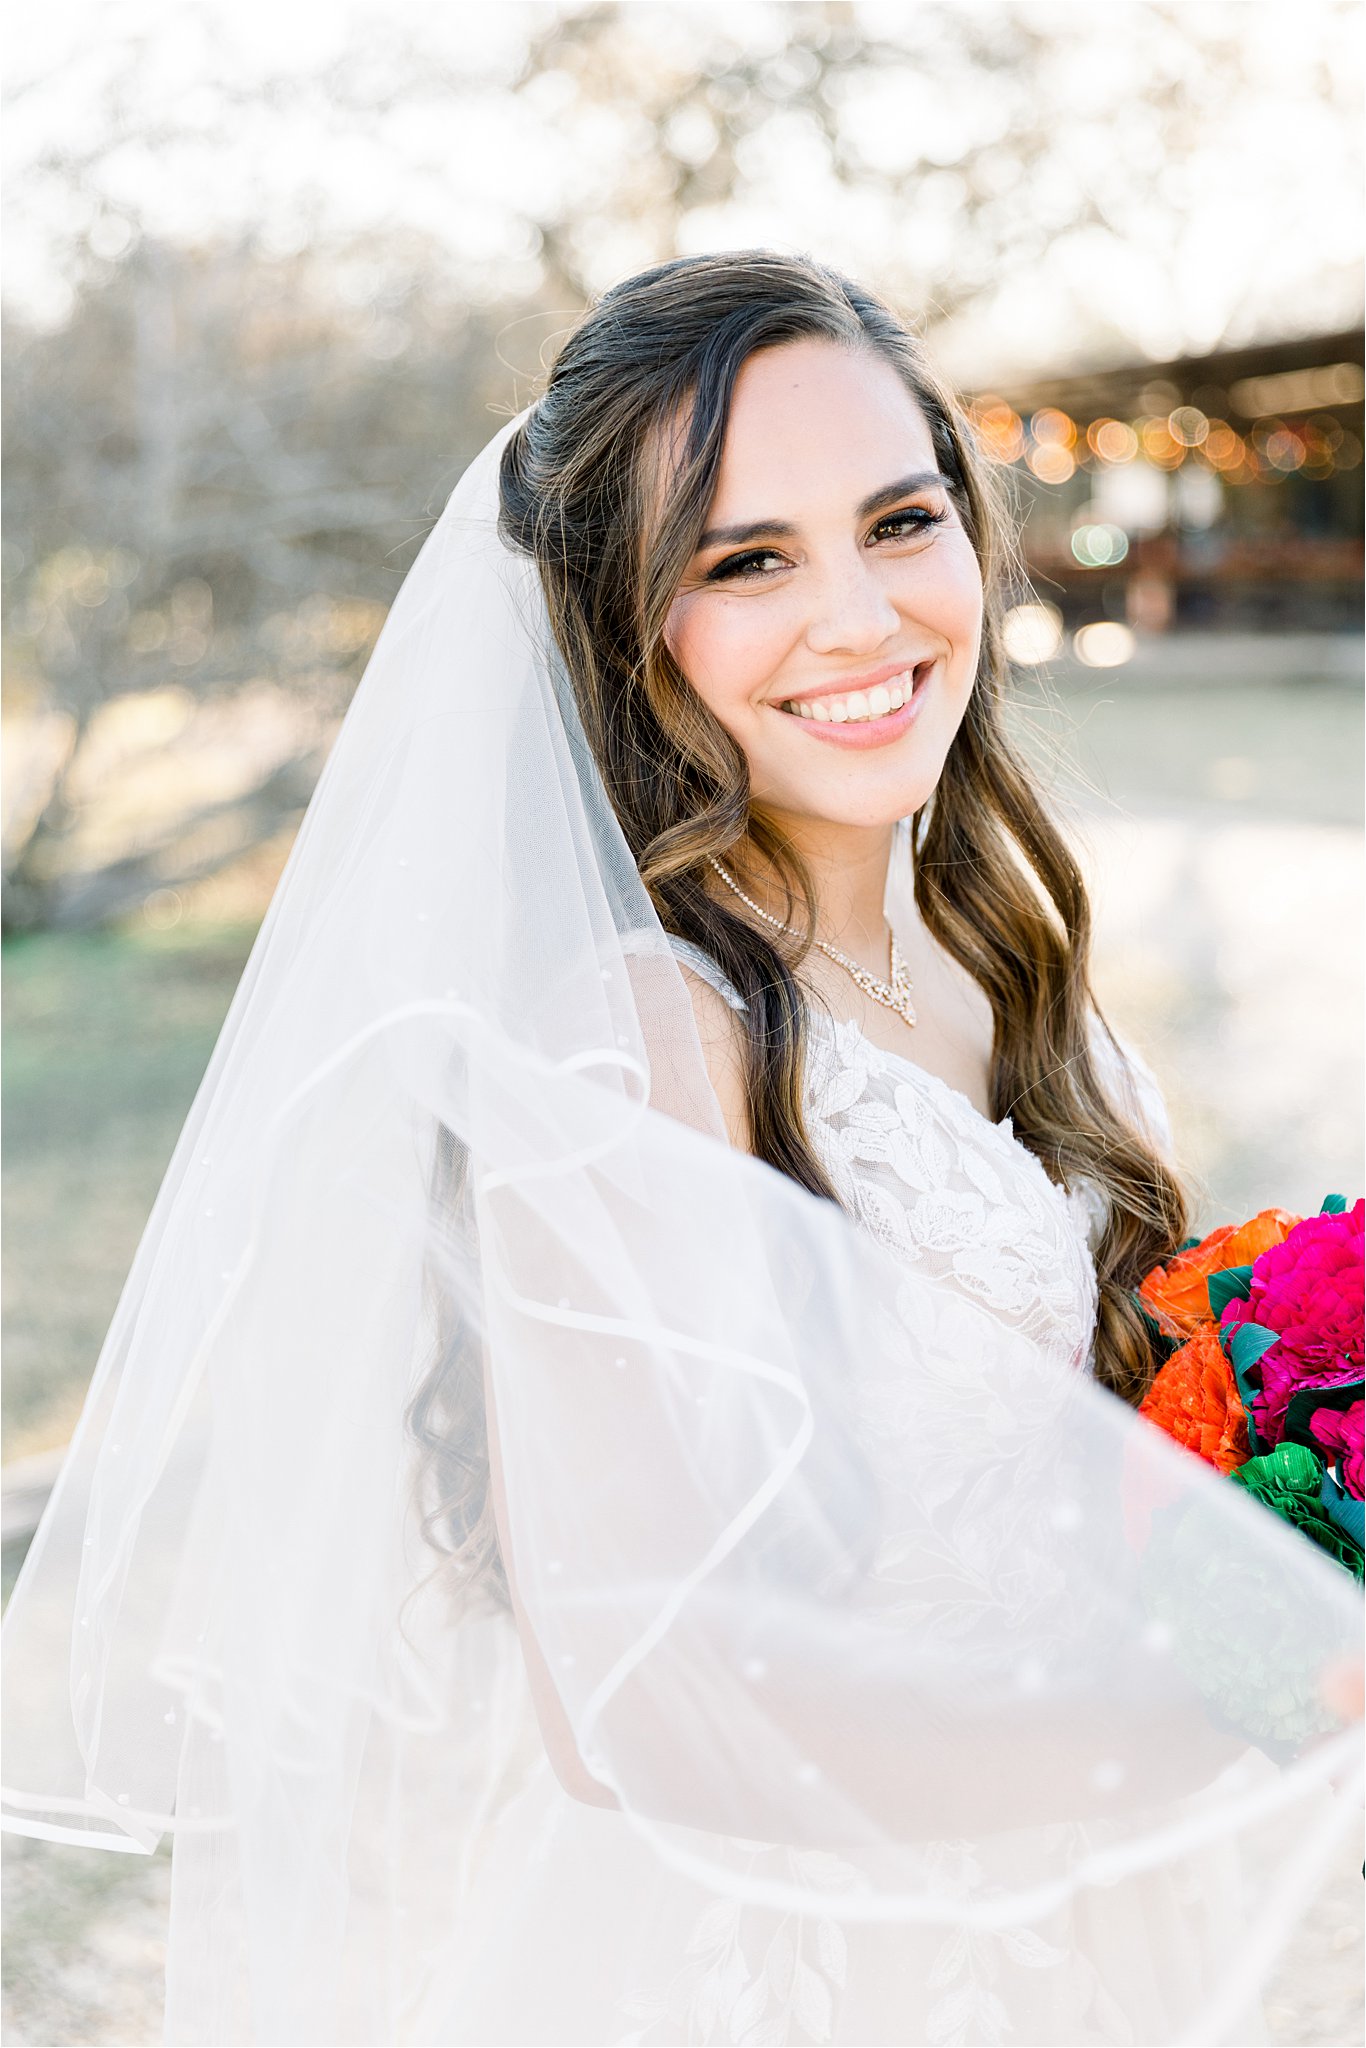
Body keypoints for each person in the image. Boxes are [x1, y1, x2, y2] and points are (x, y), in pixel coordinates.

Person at [2, 253, 1360, 2048]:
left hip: (1080, 1920)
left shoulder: (1002, 962)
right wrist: (1236, 1705)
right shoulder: (647, 1036)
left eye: (898, 521)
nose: (863, 618)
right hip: (811, 1967)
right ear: (627, 632)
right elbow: (643, 1692)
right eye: (745, 561)